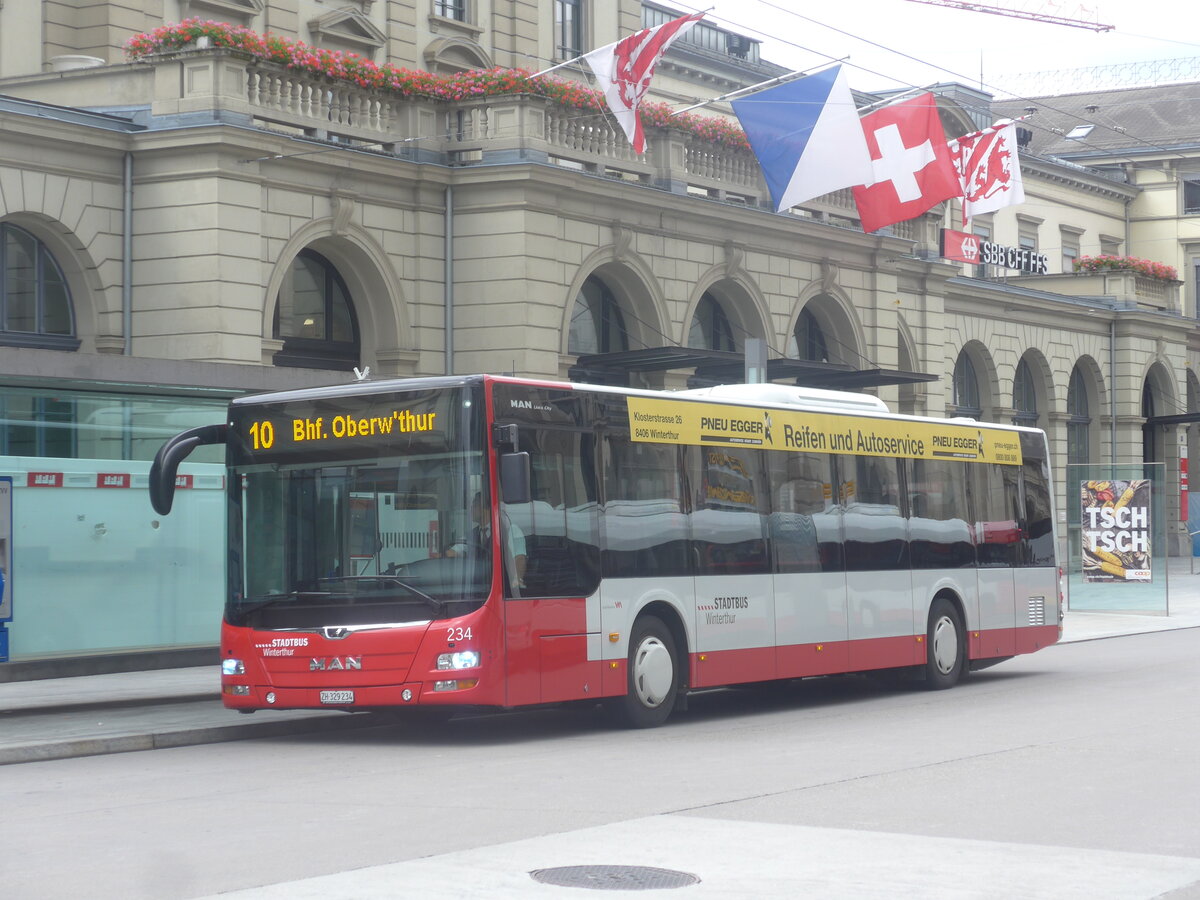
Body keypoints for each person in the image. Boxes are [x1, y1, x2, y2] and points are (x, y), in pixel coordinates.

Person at [448, 492, 526, 590]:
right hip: (477, 591)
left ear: (486, 507)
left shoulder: (510, 530)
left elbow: (519, 558)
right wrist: (441, 557)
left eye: (475, 505)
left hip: (503, 590)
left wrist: (516, 580)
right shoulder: (471, 535)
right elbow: (454, 552)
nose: (471, 509)